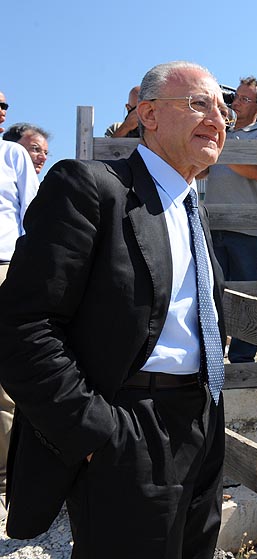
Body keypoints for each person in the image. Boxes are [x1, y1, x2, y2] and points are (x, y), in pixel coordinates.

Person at [0, 61, 228, 559]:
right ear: (147, 113)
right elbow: (23, 324)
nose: (218, 118)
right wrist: (93, 433)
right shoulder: (90, 188)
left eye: (223, 108)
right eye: (199, 103)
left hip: (202, 422)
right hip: (129, 427)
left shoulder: (193, 208)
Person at [203, 76, 257, 363]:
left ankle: (243, 359)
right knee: (211, 296)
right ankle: (213, 356)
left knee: (245, 299)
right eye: (236, 97)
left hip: (247, 228)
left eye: (245, 99)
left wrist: (219, 151)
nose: (237, 102)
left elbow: (255, 172)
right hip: (213, 224)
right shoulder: (219, 129)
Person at [0, 139, 38, 515]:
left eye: (4, 106)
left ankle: (5, 478)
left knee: (6, 381)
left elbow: (32, 212)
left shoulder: (13, 155)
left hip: (3, 264)